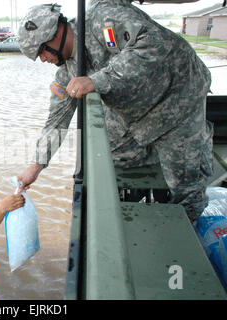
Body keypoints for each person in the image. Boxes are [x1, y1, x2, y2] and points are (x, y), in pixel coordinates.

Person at [16, 1, 214, 223]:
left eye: (41, 51)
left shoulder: (104, 19)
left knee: (185, 183)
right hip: (137, 110)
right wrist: (36, 166)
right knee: (106, 156)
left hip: (178, 97)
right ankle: (133, 202)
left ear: (55, 33)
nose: (43, 59)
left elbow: (153, 43)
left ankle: (187, 231)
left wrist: (97, 80)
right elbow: (56, 120)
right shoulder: (66, 72)